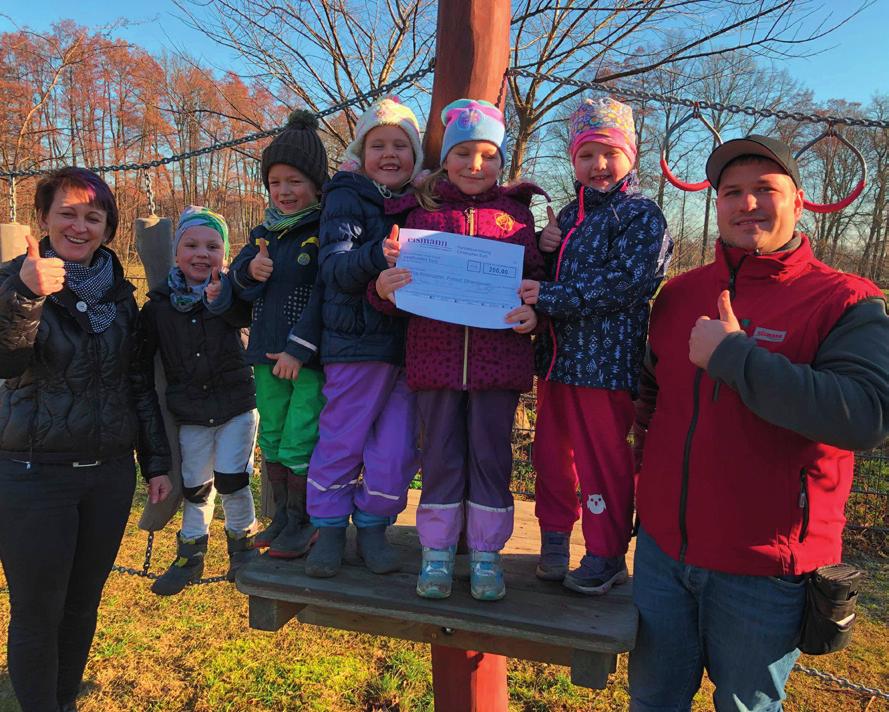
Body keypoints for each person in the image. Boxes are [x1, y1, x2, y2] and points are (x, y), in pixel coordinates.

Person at [628, 135, 889, 711]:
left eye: (765, 190)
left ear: (799, 200)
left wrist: (734, 357)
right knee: (651, 699)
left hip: (765, 569)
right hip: (664, 554)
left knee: (746, 707)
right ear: (715, 204)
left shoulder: (847, 300)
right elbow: (650, 399)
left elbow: (865, 416)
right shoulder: (678, 295)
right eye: (732, 192)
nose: (748, 204)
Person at [0, 167, 172, 711]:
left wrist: (157, 462)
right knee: (38, 608)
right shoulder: (13, 281)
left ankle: (63, 700)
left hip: (109, 474)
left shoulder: (121, 296)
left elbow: (138, 384)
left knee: (81, 605)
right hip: (33, 476)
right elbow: (6, 362)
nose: (79, 226)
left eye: (92, 216)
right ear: (44, 220)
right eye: (67, 213)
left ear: (108, 226)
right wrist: (27, 296)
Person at [372, 98, 545, 601]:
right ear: (445, 157)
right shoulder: (418, 216)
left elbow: (536, 281)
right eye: (464, 152)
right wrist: (383, 288)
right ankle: (437, 553)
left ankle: (487, 557)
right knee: (441, 460)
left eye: (488, 154)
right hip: (435, 365)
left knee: (492, 460)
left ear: (502, 161)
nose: (476, 165)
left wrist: (535, 314)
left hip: (499, 367)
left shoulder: (516, 220)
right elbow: (396, 294)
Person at [517, 96, 672, 594]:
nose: (598, 165)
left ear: (631, 155)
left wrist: (551, 296)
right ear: (573, 160)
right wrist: (546, 247)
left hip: (604, 367)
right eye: (587, 155)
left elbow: (631, 282)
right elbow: (553, 273)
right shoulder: (569, 214)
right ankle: (555, 538)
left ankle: (605, 553)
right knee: (549, 457)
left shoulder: (641, 215)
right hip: (558, 363)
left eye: (609, 153)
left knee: (601, 461)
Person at [303, 95, 423, 579]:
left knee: (396, 448)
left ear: (415, 156)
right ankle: (329, 528)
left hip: (411, 346)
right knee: (342, 440)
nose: (390, 153)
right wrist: (378, 255)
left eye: (401, 145)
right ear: (361, 151)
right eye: (379, 145)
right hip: (355, 346)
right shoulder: (346, 194)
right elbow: (333, 266)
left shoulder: (425, 200)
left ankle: (374, 525)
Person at [206, 110, 329, 560]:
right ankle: (282, 516)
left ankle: (305, 518)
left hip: (306, 358)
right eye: (275, 182)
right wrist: (248, 274)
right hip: (263, 354)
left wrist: (299, 348)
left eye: (294, 181)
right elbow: (235, 283)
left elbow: (325, 294)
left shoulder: (323, 231)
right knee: (273, 435)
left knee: (301, 436)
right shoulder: (263, 235)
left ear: (316, 184)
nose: (284, 191)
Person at [138, 206, 259, 595]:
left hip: (236, 406)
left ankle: (242, 548)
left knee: (232, 479)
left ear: (225, 254)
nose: (201, 253)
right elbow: (141, 359)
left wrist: (226, 297)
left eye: (212, 246)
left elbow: (252, 314)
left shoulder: (234, 295)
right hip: (189, 411)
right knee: (195, 484)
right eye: (191, 244)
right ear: (176, 253)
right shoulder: (158, 307)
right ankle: (191, 553)